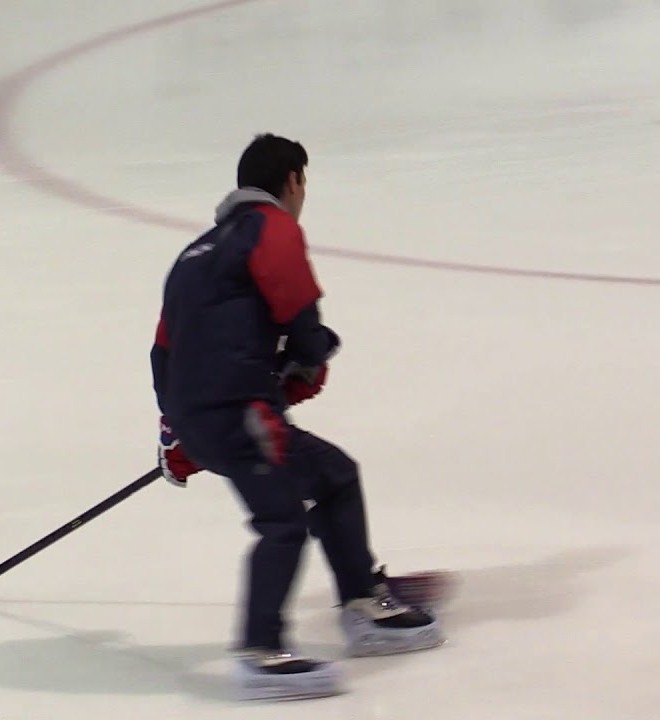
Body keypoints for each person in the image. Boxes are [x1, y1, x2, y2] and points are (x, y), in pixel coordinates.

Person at [150, 133, 446, 701]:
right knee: (283, 521)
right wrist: (309, 356)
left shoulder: (193, 256)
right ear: (291, 181)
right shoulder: (271, 225)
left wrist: (177, 428)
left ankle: (363, 603)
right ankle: (261, 651)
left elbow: (165, 349)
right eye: (303, 183)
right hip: (240, 413)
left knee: (334, 475)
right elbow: (295, 305)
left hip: (210, 414)